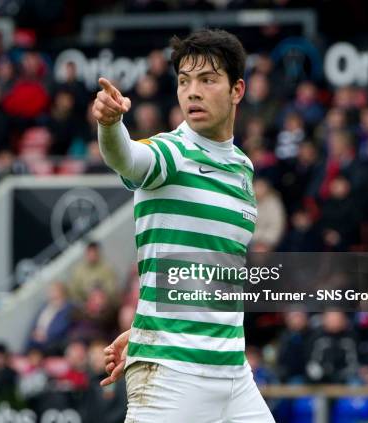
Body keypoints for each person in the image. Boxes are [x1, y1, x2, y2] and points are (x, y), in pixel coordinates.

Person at [93, 29, 274, 421]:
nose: (193, 91)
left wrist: (146, 323)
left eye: (207, 80)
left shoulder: (242, 167)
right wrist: (110, 125)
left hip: (232, 372)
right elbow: (127, 158)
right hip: (173, 375)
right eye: (184, 81)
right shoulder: (172, 152)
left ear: (237, 90)